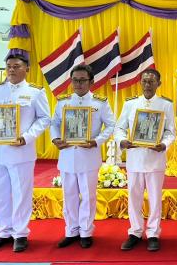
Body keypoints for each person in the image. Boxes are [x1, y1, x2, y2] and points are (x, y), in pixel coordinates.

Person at [0, 54, 51, 252]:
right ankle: (2, 232)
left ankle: (20, 234)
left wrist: (26, 137)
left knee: (21, 194)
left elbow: (44, 119)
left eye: (16, 66)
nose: (11, 70)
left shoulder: (35, 92)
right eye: (8, 66)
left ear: (27, 69)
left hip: (21, 152)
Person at [51, 65, 115, 249]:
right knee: (69, 194)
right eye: (75, 80)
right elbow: (54, 123)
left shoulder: (99, 103)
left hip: (89, 155)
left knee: (88, 195)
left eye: (82, 80)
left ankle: (86, 231)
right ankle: (71, 230)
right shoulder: (63, 102)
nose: (78, 84)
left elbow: (111, 125)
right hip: (67, 155)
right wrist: (56, 138)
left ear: (91, 81)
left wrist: (97, 141)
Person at [114, 69, 176, 252]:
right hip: (134, 158)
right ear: (140, 83)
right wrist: (122, 141)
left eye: (151, 81)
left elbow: (170, 131)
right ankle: (135, 232)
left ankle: (154, 233)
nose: (147, 85)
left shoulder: (165, 105)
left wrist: (164, 144)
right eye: (144, 81)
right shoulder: (131, 104)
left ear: (159, 83)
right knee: (134, 197)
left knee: (155, 198)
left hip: (155, 159)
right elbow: (119, 128)